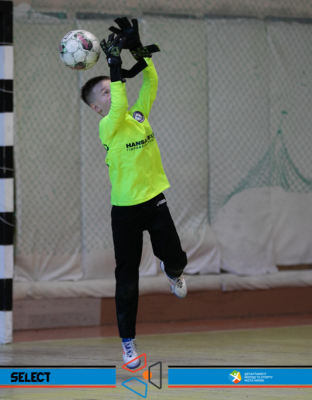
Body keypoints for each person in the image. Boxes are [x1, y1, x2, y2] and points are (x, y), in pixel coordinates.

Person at [80, 17, 188, 369]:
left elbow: (151, 81)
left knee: (177, 258)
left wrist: (139, 50)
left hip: (154, 201)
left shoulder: (139, 116)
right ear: (97, 107)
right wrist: (113, 67)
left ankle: (173, 271)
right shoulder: (107, 127)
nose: (112, 93)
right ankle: (128, 343)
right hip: (125, 211)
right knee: (126, 277)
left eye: (112, 87)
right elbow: (118, 103)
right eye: (105, 93)